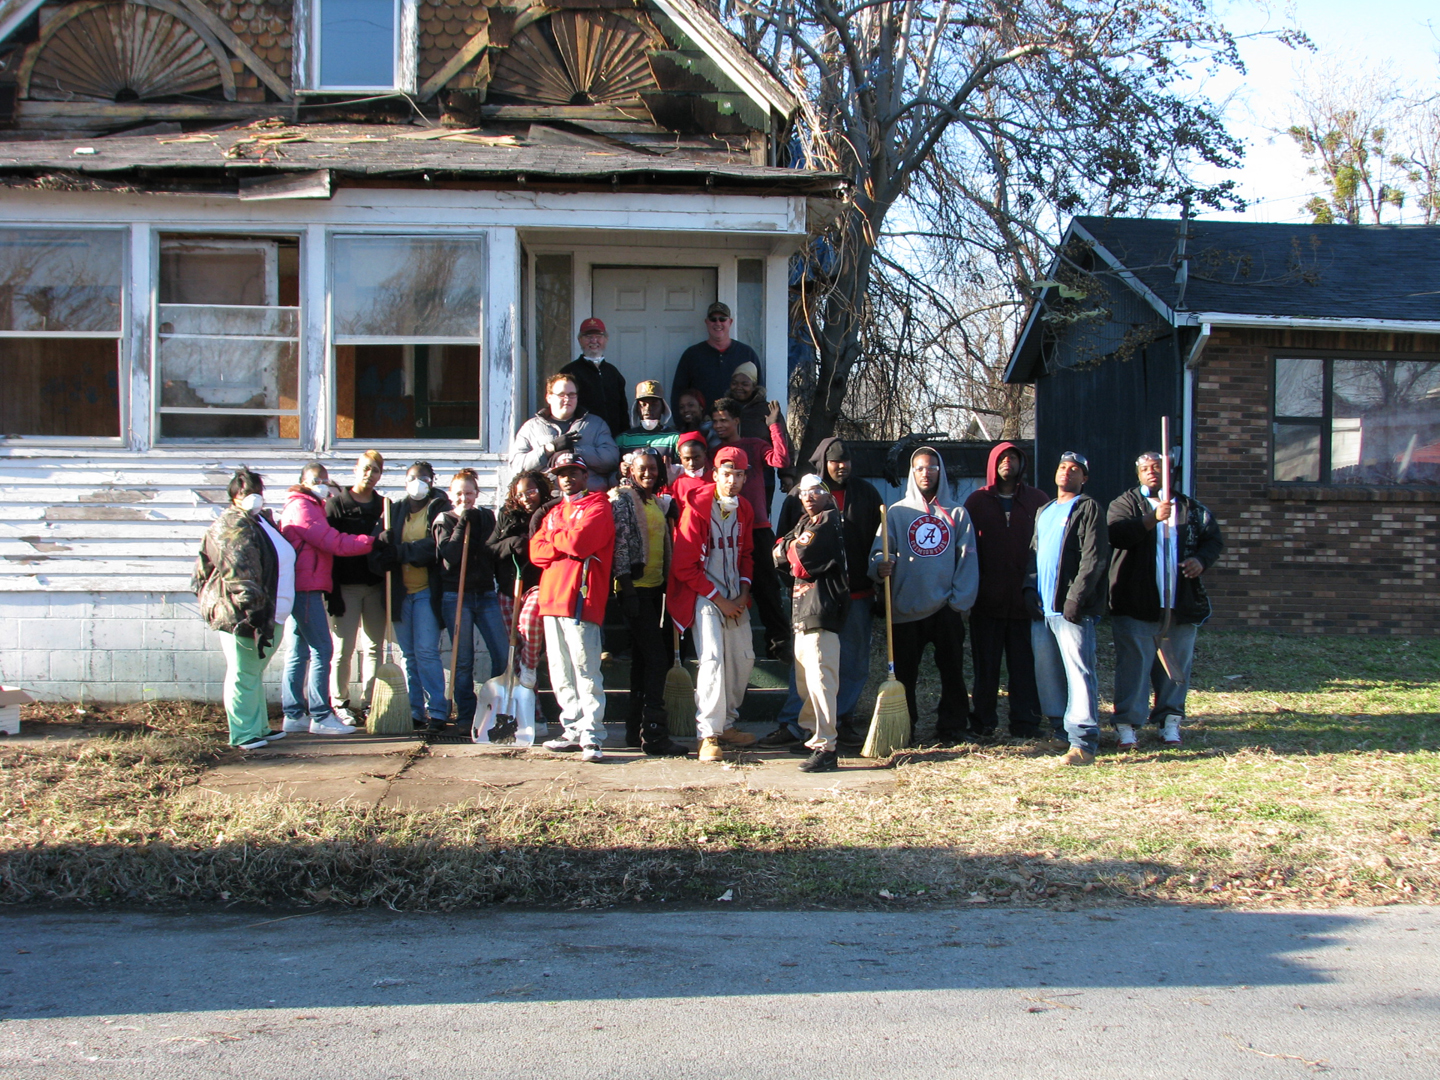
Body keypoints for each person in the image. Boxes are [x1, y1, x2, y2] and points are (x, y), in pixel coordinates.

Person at [762, 438, 882, 751]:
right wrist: (792, 577)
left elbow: (879, 540)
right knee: (807, 666)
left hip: (857, 594)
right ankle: (796, 724)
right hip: (814, 598)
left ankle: (840, 721)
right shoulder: (798, 497)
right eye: (835, 461)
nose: (842, 466)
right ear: (822, 463)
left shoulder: (866, 494)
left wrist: (879, 572)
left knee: (852, 662)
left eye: (846, 460)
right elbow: (782, 544)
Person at [1107, 451, 1224, 750]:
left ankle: (1170, 720)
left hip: (1180, 603)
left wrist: (1201, 560)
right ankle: (1127, 725)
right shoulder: (1125, 504)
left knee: (1175, 667)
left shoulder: (1189, 507)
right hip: (1136, 602)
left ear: (1169, 471)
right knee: (1133, 667)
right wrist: (1151, 519)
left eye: (1157, 467)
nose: (1151, 472)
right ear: (1138, 474)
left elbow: (1213, 538)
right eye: (1145, 468)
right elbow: (1116, 534)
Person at [869, 446, 978, 744]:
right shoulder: (896, 512)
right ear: (912, 473)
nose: (925, 473)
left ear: (940, 471)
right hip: (905, 608)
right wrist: (879, 566)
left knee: (952, 672)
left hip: (945, 607)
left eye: (931, 467)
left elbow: (967, 560)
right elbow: (879, 552)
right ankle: (905, 727)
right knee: (905, 675)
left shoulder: (957, 513)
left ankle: (952, 726)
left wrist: (958, 603)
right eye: (919, 468)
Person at [192, 467, 295, 750]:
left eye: (257, 491)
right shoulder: (231, 525)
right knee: (243, 672)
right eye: (247, 492)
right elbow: (238, 569)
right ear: (234, 495)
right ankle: (243, 733)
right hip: (242, 613)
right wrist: (252, 609)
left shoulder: (259, 522)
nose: (254, 497)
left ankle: (259, 727)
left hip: (271, 610)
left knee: (253, 672)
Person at [668, 445, 759, 763]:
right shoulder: (697, 506)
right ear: (715, 474)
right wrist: (720, 600)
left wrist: (743, 594)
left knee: (744, 659)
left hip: (734, 595)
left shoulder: (744, 508)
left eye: (739, 475)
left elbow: (746, 555)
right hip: (704, 594)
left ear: (745, 477)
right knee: (713, 661)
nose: (732, 481)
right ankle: (708, 733)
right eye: (727, 474)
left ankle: (727, 724)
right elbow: (684, 567)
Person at [1023, 451, 1109, 766]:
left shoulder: (1087, 508)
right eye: (1062, 466)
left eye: (1075, 469)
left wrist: (1076, 598)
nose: (1067, 472)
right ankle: (1060, 731)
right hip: (1042, 610)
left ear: (1084, 478)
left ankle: (1083, 742)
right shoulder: (1044, 510)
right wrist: (1028, 588)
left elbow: (1094, 557)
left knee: (1079, 672)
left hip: (1071, 610)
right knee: (1048, 673)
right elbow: (1034, 553)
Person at [279, 462, 376, 736]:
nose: (321, 484)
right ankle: (321, 715)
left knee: (298, 651)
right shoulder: (304, 507)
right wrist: (371, 542)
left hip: (303, 586)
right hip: (306, 587)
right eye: (316, 480)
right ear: (303, 482)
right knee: (322, 649)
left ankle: (294, 714)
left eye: (324, 479)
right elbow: (332, 541)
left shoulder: (309, 506)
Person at [531, 451, 615, 762]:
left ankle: (593, 733)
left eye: (573, 473)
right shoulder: (553, 512)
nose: (567, 479)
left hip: (581, 599)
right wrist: (563, 540)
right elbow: (535, 551)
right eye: (561, 474)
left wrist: (556, 540)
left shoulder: (599, 505)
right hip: (551, 599)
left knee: (586, 669)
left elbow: (581, 544)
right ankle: (572, 728)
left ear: (585, 476)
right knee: (559, 670)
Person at [963, 442, 1049, 739]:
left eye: (1013, 458)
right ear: (992, 464)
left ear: (1022, 464)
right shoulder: (977, 502)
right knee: (986, 666)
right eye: (1002, 458)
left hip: (1025, 600)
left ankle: (1026, 722)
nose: (1007, 463)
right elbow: (966, 549)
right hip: (987, 600)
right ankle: (983, 722)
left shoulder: (1037, 500)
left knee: (1024, 665)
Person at [608, 446, 689, 756]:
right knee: (657, 660)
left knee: (643, 661)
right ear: (631, 471)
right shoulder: (622, 499)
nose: (647, 473)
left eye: (653, 468)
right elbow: (620, 544)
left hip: (655, 588)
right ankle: (655, 733)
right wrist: (626, 588)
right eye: (641, 468)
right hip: (634, 590)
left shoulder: (657, 501)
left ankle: (634, 730)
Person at [774, 475, 850, 773]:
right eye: (803, 492)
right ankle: (812, 734)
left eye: (816, 491)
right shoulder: (805, 523)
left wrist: (788, 548)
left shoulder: (827, 520)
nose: (808, 496)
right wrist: (788, 547)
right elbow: (777, 552)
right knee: (806, 682)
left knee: (821, 682)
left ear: (828, 495)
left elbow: (799, 558)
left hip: (822, 610)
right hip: (803, 611)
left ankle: (827, 747)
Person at [371, 461, 452, 729]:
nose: (418, 483)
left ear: (432, 481)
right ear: (405, 482)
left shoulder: (440, 509)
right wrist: (383, 546)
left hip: (427, 591)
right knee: (409, 654)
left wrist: (400, 551)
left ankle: (437, 711)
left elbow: (434, 547)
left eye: (424, 479)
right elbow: (377, 550)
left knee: (427, 651)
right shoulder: (393, 511)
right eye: (412, 478)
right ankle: (416, 711)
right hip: (400, 593)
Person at [710, 396, 792, 661]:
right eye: (715, 421)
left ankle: (779, 645)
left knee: (767, 588)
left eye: (724, 420)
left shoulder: (755, 445)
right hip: (725, 529)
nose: (719, 425)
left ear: (736, 421)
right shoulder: (714, 453)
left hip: (757, 527)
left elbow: (781, 459)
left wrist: (775, 426)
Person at [433, 468, 509, 735]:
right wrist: (462, 522)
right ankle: (466, 714)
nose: (464, 498)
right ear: (450, 494)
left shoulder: (487, 517)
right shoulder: (443, 519)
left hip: (486, 594)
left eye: (469, 493)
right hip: (457, 596)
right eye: (459, 494)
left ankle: (498, 709)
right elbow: (450, 557)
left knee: (502, 653)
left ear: (477, 493)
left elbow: (493, 550)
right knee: (463, 659)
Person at [325, 450, 387, 725]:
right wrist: (332, 592)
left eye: (375, 470)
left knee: (374, 647)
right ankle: (340, 702)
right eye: (365, 468)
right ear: (355, 469)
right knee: (343, 649)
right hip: (345, 588)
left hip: (375, 587)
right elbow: (328, 548)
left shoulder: (384, 506)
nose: (369, 474)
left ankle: (369, 702)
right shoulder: (337, 504)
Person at [486, 469, 552, 690]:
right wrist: (511, 543)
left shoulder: (550, 513)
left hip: (537, 584)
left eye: (531, 492)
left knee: (529, 623)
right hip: (509, 588)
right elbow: (490, 548)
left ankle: (529, 667)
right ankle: (528, 705)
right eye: (521, 494)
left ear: (541, 490)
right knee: (512, 645)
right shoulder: (507, 515)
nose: (526, 498)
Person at [509, 373, 619, 493]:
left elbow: (611, 459)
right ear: (549, 397)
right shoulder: (531, 427)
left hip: (588, 496)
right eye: (561, 395)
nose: (567, 399)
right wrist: (550, 448)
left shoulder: (595, 424)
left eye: (571, 395)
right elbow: (517, 466)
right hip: (549, 498)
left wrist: (575, 451)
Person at [670, 301, 762, 421]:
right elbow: (678, 393)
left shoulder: (747, 354)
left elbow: (759, 392)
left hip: (739, 425)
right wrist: (681, 424)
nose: (718, 323)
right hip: (702, 425)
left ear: (730, 322)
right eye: (713, 319)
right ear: (707, 322)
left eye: (722, 319)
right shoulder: (692, 355)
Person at [560, 317, 629, 440]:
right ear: (580, 340)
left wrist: (625, 437)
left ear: (606, 339)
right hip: (581, 439)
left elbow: (623, 411)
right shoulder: (569, 372)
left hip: (613, 439)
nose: (594, 341)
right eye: (588, 336)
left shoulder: (613, 373)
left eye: (598, 336)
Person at [615, 379, 680, 464]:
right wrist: (621, 468)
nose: (648, 409)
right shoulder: (623, 439)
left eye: (654, 404)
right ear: (636, 409)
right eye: (643, 404)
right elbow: (612, 467)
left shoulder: (675, 438)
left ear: (663, 408)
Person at [668, 431, 711, 505]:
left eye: (696, 458)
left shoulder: (716, 479)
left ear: (704, 454)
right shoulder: (676, 483)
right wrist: (667, 485)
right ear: (680, 456)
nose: (692, 463)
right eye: (687, 459)